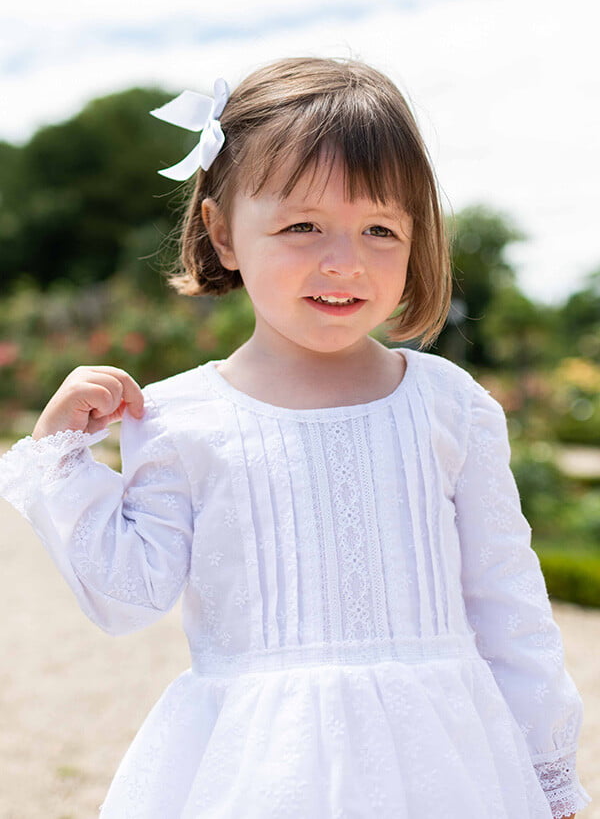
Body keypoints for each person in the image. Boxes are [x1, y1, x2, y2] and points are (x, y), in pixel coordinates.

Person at [0, 57, 592, 819]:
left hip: (448, 766)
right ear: (223, 231)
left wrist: (549, 778)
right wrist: (60, 458)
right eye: (302, 225)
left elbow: (511, 607)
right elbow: (127, 597)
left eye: (380, 228)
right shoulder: (179, 420)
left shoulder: (451, 406)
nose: (343, 260)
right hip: (256, 772)